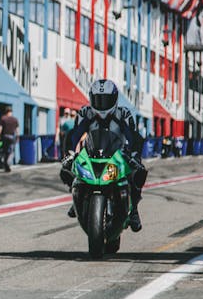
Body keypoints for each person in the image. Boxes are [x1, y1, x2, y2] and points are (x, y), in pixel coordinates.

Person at [60, 78, 146, 232]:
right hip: (92, 153)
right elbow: (74, 135)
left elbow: (133, 136)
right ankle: (76, 199)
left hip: (117, 155)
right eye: (98, 99)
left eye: (106, 100)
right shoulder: (85, 112)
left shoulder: (123, 114)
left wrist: (134, 156)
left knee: (137, 174)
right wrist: (70, 154)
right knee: (67, 169)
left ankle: (133, 210)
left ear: (114, 99)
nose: (102, 104)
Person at [0, 105, 20, 172]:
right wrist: (18, 137)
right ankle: (8, 163)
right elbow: (17, 130)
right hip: (11, 137)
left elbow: (0, 129)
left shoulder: (3, 118)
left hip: (4, 136)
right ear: (11, 112)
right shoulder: (15, 119)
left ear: (6, 112)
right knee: (11, 151)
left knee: (5, 151)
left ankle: (5, 165)